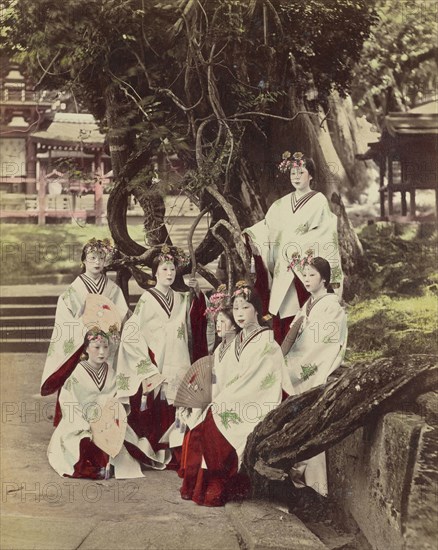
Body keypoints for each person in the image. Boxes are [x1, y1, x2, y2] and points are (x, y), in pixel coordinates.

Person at [179, 282, 294, 506]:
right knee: (203, 419)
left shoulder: (266, 341)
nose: (240, 314)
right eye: (237, 308)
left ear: (257, 310)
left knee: (215, 419)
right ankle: (209, 481)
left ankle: (220, 483)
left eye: (246, 308)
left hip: (255, 400)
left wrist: (223, 399)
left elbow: (259, 381)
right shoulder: (235, 342)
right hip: (233, 398)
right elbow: (224, 376)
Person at [116, 246, 208, 469]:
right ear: (155, 273)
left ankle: (176, 451)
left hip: (179, 359)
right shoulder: (147, 299)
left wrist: (197, 294)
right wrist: (146, 364)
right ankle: (151, 451)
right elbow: (132, 332)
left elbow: (197, 319)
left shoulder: (182, 298)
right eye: (164, 269)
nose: (169, 273)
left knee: (177, 406)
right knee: (156, 407)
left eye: (172, 269)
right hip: (157, 359)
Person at [243, 151, 344, 344]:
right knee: (284, 310)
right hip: (284, 265)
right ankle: (284, 354)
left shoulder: (319, 200)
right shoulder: (280, 204)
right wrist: (253, 237)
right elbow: (268, 227)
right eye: (293, 174)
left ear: (311, 175)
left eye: (301, 172)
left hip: (305, 264)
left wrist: (299, 249)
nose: (296, 177)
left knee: (306, 310)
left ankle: (308, 356)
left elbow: (325, 232)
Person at [41, 238, 130, 415]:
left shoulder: (113, 289)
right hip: (81, 347)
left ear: (106, 261)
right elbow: (65, 321)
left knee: (107, 385)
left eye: (101, 258)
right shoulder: (74, 291)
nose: (97, 262)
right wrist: (83, 327)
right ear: (83, 261)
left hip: (107, 347)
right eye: (92, 258)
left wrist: (114, 329)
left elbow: (122, 315)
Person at [283, 257, 348, 496]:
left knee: (310, 426)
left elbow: (323, 344)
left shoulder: (330, 305)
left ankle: (315, 488)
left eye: (312, 275)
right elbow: (295, 337)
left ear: (324, 279)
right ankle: (297, 483)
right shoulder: (308, 304)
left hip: (313, 369)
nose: (307, 280)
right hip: (298, 368)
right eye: (305, 275)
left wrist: (298, 366)